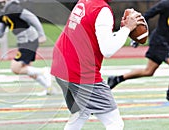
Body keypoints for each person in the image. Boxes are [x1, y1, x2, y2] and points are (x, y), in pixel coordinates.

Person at [50, 0, 144, 129]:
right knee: (114, 123)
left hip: (61, 65)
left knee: (80, 113)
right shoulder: (102, 10)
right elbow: (107, 50)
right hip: (79, 72)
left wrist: (122, 30)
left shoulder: (85, 1)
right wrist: (127, 29)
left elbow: (95, 36)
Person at [0, 0, 54, 96]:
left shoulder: (13, 8)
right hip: (23, 41)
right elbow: (0, 33)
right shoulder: (3, 12)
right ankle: (48, 88)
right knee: (26, 69)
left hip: (29, 40)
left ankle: (44, 71)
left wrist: (41, 35)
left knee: (15, 68)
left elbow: (32, 18)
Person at [107, 0, 169, 100]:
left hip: (166, 44)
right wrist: (138, 37)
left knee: (148, 71)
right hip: (159, 42)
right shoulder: (166, 4)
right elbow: (145, 16)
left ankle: (118, 79)